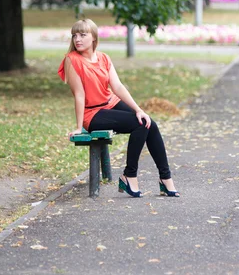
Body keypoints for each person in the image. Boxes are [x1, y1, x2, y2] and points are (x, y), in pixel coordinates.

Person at [57, 19, 179, 198]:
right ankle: (129, 175)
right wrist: (78, 126)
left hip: (110, 103)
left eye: (83, 35)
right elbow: (79, 95)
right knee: (140, 125)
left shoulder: (104, 58)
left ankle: (165, 179)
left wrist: (139, 110)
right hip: (93, 113)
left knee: (148, 122)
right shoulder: (72, 60)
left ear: (94, 37)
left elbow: (118, 87)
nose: (78, 39)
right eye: (74, 35)